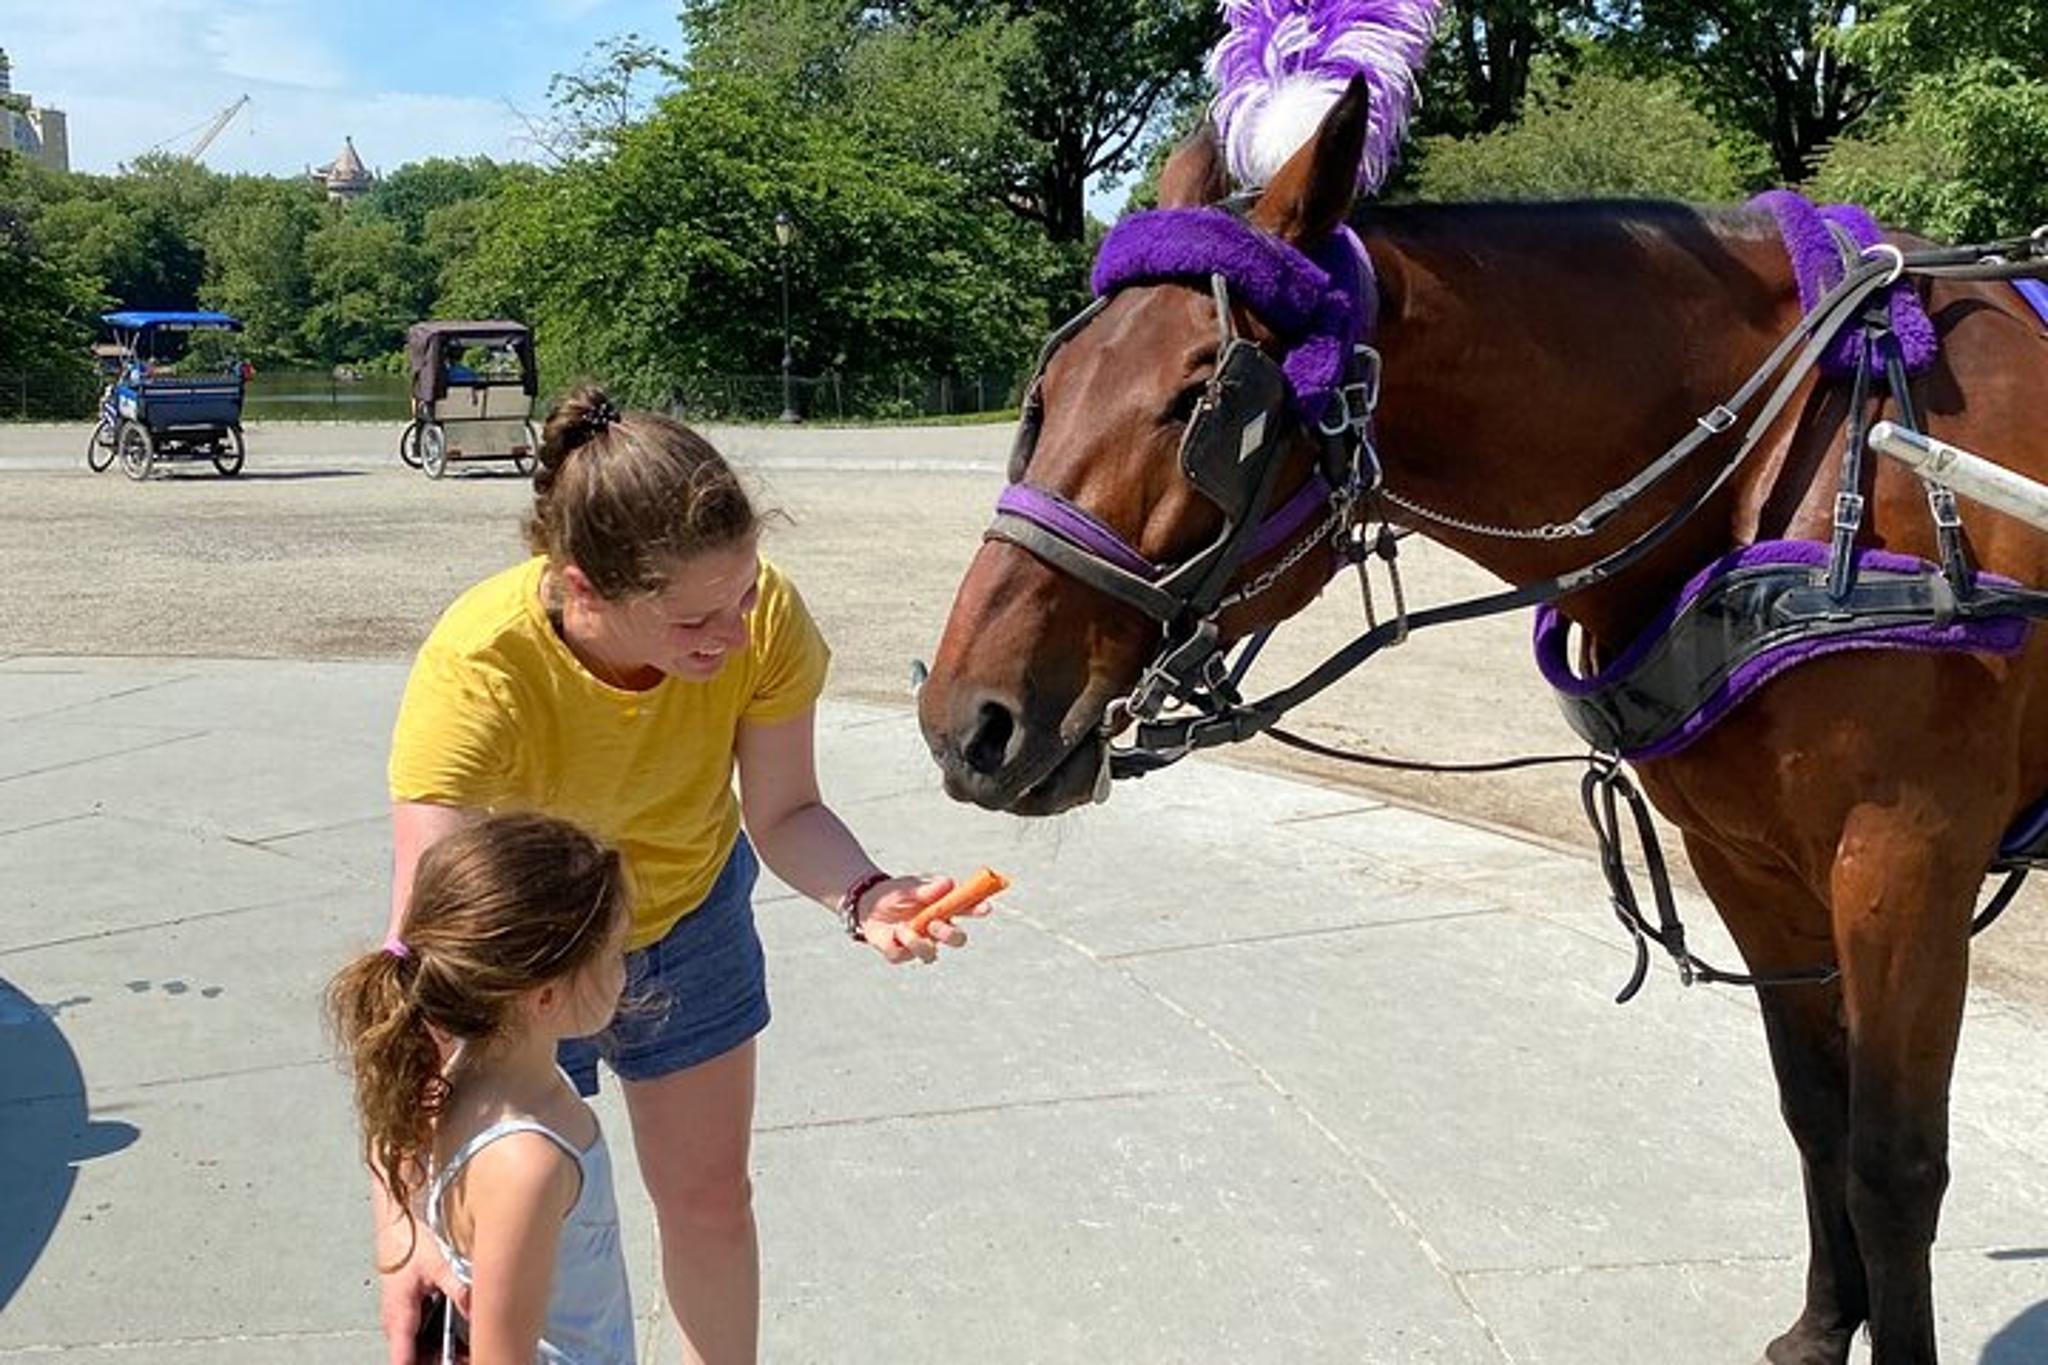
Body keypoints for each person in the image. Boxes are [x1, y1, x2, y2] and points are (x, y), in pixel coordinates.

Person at [375, 385, 986, 1365]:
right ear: (581, 590)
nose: (737, 633)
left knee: (709, 1201)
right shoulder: (478, 669)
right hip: (523, 965)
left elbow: (783, 811)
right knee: (506, 1245)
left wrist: (864, 893)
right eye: (695, 618)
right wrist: (400, 1221)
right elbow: (426, 945)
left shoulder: (760, 616)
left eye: (744, 593)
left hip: (688, 923)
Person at [329, 811, 637, 1364]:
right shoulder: (527, 1161)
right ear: (545, 998)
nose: (625, 969)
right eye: (613, 954)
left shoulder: (464, 1073)